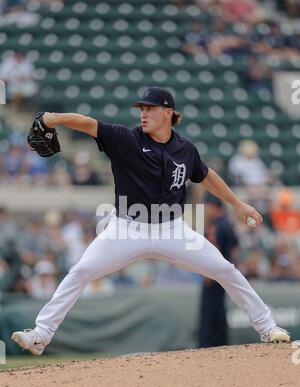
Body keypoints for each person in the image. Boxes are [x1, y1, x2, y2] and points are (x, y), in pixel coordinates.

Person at [11, 86, 290, 355]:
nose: (143, 114)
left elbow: (205, 175)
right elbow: (86, 123)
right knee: (81, 272)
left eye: (150, 108)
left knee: (225, 270)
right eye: (141, 109)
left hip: (173, 229)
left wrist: (238, 204)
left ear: (168, 113)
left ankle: (267, 327)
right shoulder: (125, 139)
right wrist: (51, 118)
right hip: (126, 228)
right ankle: (41, 334)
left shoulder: (185, 149)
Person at [199, 193, 238, 348]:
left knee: (210, 312)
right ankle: (221, 342)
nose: (205, 210)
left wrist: (209, 274)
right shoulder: (228, 224)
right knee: (220, 309)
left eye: (207, 206)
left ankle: (209, 344)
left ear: (214, 207)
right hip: (225, 273)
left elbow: (212, 249)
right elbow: (235, 247)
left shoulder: (214, 226)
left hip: (213, 276)